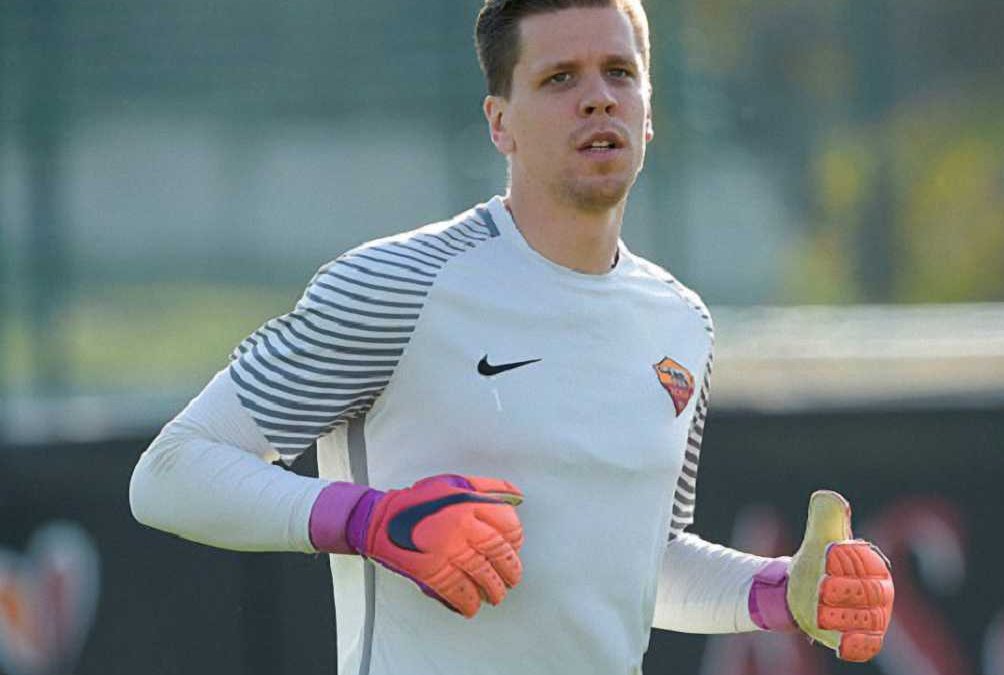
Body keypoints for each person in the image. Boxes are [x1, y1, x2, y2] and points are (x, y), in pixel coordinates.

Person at [128, 1, 893, 673]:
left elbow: (639, 563)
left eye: (620, 73)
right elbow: (170, 471)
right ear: (501, 123)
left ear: (648, 110)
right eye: (560, 78)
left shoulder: (681, 322)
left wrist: (779, 589)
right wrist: (370, 520)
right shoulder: (398, 285)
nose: (598, 98)